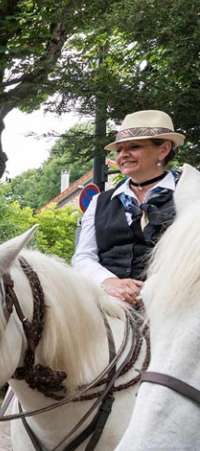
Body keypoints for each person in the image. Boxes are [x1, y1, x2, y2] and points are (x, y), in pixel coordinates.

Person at [73, 110, 184, 306]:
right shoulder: (99, 201)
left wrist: (155, 288)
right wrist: (109, 282)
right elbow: (83, 257)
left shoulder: (190, 194)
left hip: (173, 304)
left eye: (134, 146)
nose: (123, 155)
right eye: (119, 150)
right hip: (108, 303)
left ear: (164, 149)